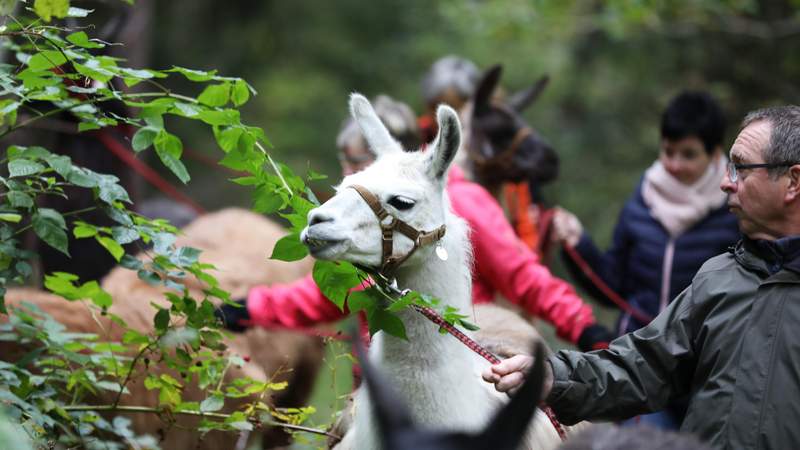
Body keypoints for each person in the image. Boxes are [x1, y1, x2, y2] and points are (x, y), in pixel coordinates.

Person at [484, 105, 800, 449]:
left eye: (740, 168)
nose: (726, 182)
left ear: (793, 182)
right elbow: (643, 366)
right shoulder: (718, 278)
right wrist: (553, 376)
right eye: (730, 168)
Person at [217, 94, 613, 352]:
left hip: (470, 353)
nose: (352, 174)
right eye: (348, 164)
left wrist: (582, 327)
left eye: (360, 161)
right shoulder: (367, 231)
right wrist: (249, 307)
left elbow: (522, 276)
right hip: (386, 370)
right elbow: (329, 293)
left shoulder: (462, 203)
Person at [418, 55, 480, 143]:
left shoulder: (483, 137)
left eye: (458, 109)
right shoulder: (418, 134)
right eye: (440, 110)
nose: (452, 121)